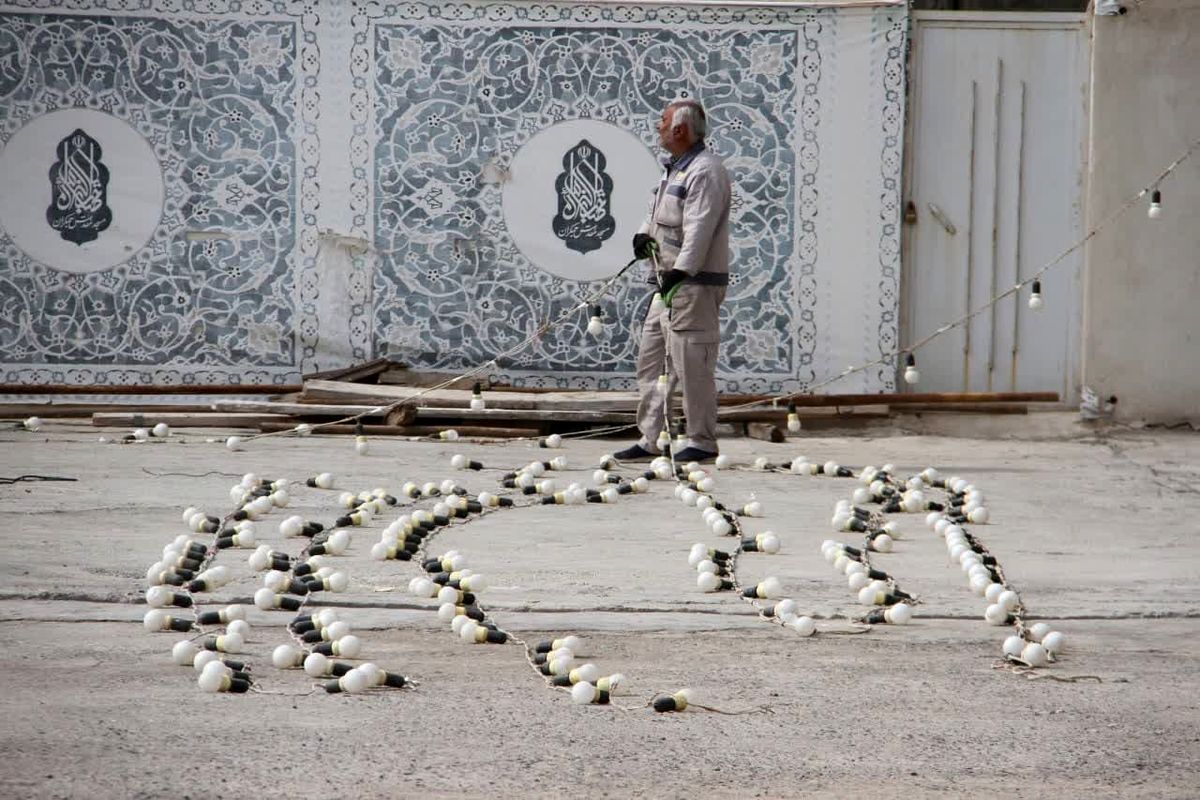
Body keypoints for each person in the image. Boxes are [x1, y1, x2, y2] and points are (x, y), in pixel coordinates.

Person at [614, 99, 732, 464]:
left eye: (663, 121)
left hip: (691, 285)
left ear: (680, 129)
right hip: (665, 285)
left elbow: (699, 228)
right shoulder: (675, 170)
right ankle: (652, 438)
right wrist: (641, 234)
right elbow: (657, 214)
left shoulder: (705, 171)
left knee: (691, 365)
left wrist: (681, 272)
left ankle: (701, 441)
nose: (657, 126)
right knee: (652, 363)